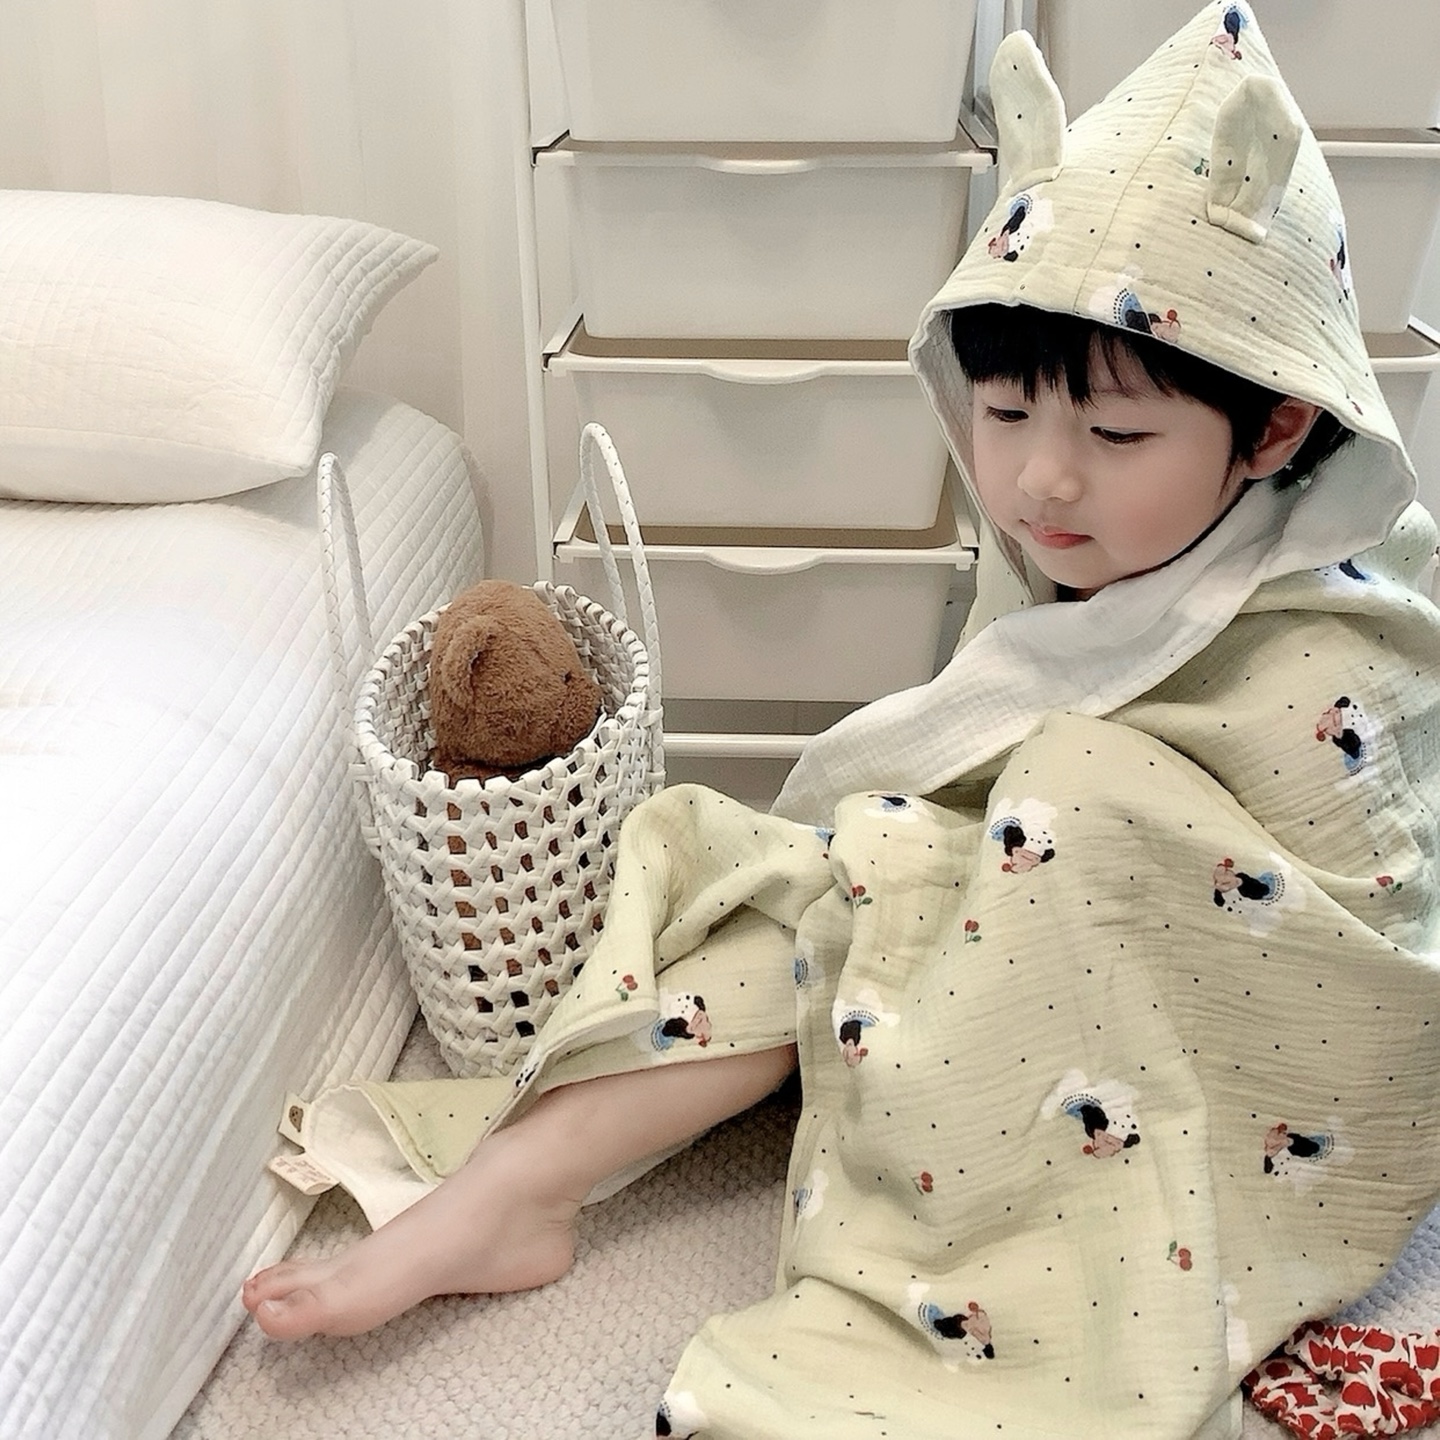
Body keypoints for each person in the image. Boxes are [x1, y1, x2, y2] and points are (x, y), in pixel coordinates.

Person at [245, 7, 1440, 1437]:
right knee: (819, 879)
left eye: (1116, 435)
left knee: (1007, 825)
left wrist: (1046, 847)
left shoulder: (1330, 644)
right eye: (1005, 414)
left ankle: (955, 1294)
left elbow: (1356, 955)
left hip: (1260, 1045)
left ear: (1277, 430)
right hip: (1064, 893)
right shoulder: (1097, 543)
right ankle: (518, 1190)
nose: (1042, 483)